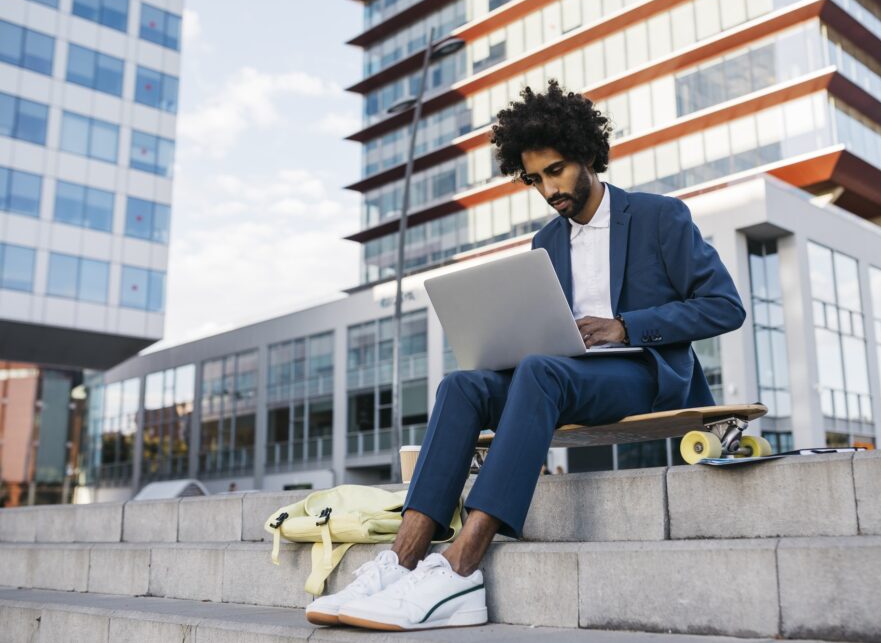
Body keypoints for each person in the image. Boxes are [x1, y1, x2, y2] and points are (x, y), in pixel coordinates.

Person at [306, 80, 745, 631]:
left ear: (588, 155)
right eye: (534, 179)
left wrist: (625, 325)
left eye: (556, 171)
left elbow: (725, 307)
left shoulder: (661, 217)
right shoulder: (545, 242)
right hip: (560, 375)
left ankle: (462, 565)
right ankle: (403, 557)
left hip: (641, 372)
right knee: (463, 385)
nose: (548, 189)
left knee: (540, 370)